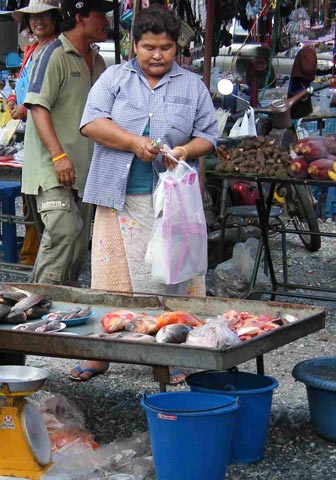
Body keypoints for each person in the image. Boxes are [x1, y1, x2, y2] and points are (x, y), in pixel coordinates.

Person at [70, 4, 217, 381]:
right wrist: (134, 142)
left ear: (177, 47)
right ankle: (101, 352)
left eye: (165, 48)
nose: (157, 55)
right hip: (118, 195)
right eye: (149, 47)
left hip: (171, 202)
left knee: (171, 275)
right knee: (112, 277)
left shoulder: (191, 85)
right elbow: (91, 123)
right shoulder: (115, 78)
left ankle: (172, 352)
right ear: (133, 45)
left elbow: (208, 135)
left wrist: (185, 150)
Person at [22, 0, 113, 285]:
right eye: (101, 14)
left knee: (77, 249)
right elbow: (38, 107)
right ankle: (37, 299)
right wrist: (58, 156)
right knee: (63, 230)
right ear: (81, 17)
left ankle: (63, 305)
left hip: (84, 169)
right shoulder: (53, 53)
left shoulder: (98, 62)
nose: (107, 22)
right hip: (52, 165)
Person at [8, 0, 63, 266]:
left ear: (55, 18)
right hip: (28, 133)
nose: (38, 22)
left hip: (47, 134)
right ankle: (31, 253)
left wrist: (25, 108)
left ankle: (39, 257)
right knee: (29, 196)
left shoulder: (57, 50)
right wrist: (12, 99)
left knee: (45, 199)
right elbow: (22, 85)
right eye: (33, 17)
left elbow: (46, 98)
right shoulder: (32, 49)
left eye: (44, 16)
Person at [287, 45, 317, 119]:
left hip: (300, 103)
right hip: (298, 105)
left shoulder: (304, 54)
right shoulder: (307, 55)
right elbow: (308, 69)